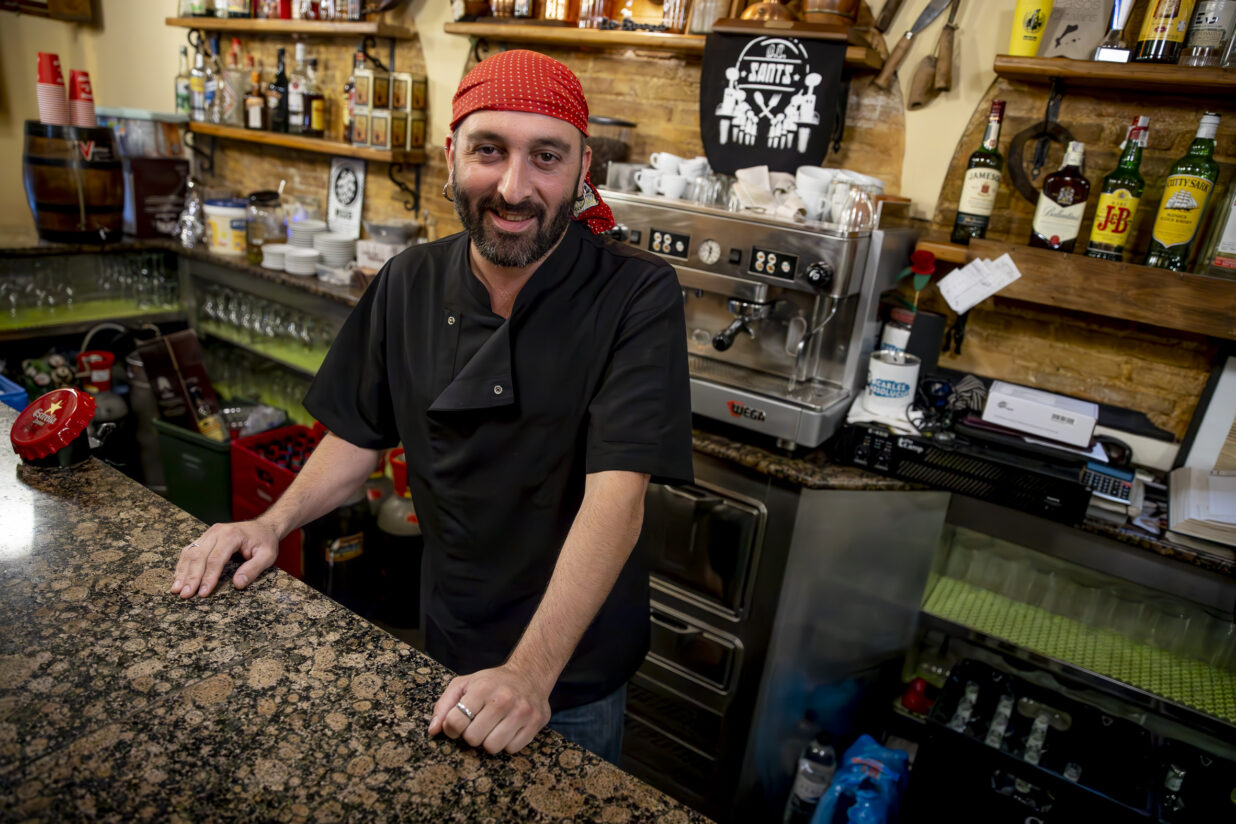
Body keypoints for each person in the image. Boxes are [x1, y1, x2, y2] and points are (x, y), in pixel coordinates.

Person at [168, 50, 694, 765]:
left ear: (582, 170)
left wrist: (530, 675)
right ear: (451, 155)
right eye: (489, 150)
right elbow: (357, 436)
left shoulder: (637, 295)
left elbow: (617, 500)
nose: (514, 188)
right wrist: (271, 522)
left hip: (566, 673)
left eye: (546, 156)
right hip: (446, 636)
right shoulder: (408, 280)